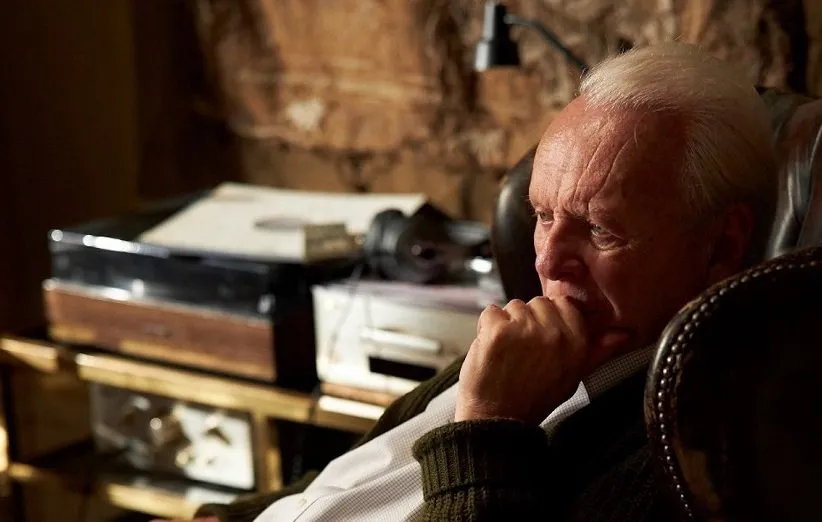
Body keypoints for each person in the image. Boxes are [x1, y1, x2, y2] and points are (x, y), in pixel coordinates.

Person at [160, 41, 778, 522]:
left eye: (600, 229)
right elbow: (355, 481)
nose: (548, 261)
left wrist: (488, 429)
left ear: (720, 244)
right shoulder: (544, 340)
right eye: (542, 216)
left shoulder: (692, 457)